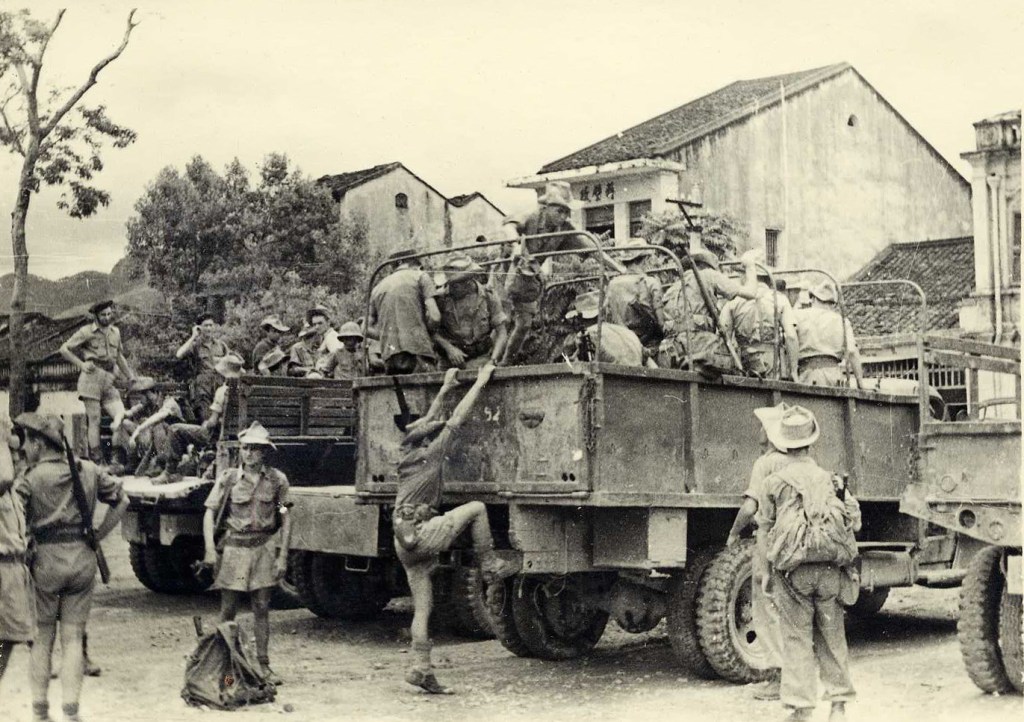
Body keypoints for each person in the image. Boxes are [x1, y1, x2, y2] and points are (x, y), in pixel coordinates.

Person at [393, 364, 518, 694]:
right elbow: (457, 417)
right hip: (422, 532)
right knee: (476, 508)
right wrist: (480, 382)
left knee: (423, 608)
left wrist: (446, 387)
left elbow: (427, 421)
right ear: (426, 440)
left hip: (403, 538)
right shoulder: (431, 456)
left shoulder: (405, 455)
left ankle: (421, 668)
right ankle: (490, 564)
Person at [13, 413, 127, 722]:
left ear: (39, 444)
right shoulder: (87, 469)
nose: (24, 448)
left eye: (27, 442)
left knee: (42, 639)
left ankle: (40, 713)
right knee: (74, 639)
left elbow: (13, 517)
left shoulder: (30, 478)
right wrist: (100, 534)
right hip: (82, 558)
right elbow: (122, 501)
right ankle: (71, 712)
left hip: (45, 561)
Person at [755, 405, 861, 722]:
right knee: (832, 636)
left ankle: (802, 709)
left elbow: (765, 529)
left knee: (796, 638)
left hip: (793, 572)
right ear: (811, 442)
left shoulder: (773, 483)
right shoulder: (832, 480)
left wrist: (764, 572)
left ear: (783, 443)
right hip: (830, 570)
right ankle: (838, 705)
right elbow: (854, 521)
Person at [202, 421, 291, 686]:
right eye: (245, 448)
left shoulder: (276, 481)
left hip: (263, 549)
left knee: (261, 607)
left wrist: (283, 556)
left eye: (255, 448)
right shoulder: (229, 479)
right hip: (235, 550)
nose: (249, 453)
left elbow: (286, 516)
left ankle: (263, 666)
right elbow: (209, 512)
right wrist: (210, 549)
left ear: (265, 452)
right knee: (228, 609)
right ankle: (222, 666)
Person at [498, 181, 626, 365]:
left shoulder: (565, 228)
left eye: (567, 212)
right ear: (547, 208)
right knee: (501, 320)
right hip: (505, 272)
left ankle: (504, 363)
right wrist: (515, 243)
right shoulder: (531, 216)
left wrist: (618, 268)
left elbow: (592, 248)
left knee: (524, 324)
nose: (563, 216)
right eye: (560, 211)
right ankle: (492, 360)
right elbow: (509, 226)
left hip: (527, 279)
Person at [725, 403, 794, 700]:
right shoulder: (797, 461)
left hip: (771, 541)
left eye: (762, 426)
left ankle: (779, 678)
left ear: (770, 432)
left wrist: (733, 533)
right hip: (796, 542)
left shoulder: (764, 464)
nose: (759, 431)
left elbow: (750, 507)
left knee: (765, 608)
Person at [657, 246, 759, 372]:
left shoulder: (673, 287)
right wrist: (750, 266)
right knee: (737, 365)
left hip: (670, 348)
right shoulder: (709, 275)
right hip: (699, 346)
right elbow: (751, 292)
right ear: (709, 266)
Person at [59, 300, 136, 465]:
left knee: (120, 417)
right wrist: (81, 364)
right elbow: (64, 349)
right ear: (96, 316)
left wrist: (130, 376)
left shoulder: (115, 332)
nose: (107, 317)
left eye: (109, 314)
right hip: (91, 379)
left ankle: (117, 459)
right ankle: (98, 461)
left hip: (109, 379)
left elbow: (119, 356)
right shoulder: (86, 331)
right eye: (103, 315)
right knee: (95, 420)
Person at [153, 353, 244, 485]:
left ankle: (170, 472)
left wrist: (206, 424)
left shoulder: (223, 391)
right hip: (239, 434)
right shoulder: (246, 391)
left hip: (218, 435)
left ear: (222, 373)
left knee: (175, 429)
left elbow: (212, 422)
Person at [367, 249, 441, 375]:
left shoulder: (377, 287)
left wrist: (389, 335)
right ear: (414, 263)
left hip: (390, 356)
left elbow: (364, 328)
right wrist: (423, 332)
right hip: (418, 351)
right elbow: (435, 317)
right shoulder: (420, 276)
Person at [0, 420, 33, 692]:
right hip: (2, 567)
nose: (15, 457)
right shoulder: (3, 483)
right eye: (9, 451)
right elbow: (4, 477)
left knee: (10, 635)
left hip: (14, 569)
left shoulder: (12, 490)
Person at [433, 254, 508, 369]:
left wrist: (493, 360)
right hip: (449, 362)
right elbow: (430, 331)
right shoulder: (440, 299)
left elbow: (501, 332)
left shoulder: (488, 296)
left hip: (481, 358)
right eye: (449, 283)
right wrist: (449, 348)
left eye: (455, 284)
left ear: (468, 281)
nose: (450, 288)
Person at [719, 272, 800, 379]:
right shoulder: (780, 299)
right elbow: (791, 336)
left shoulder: (734, 301)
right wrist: (794, 371)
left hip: (743, 362)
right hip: (771, 362)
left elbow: (724, 336)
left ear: (747, 276)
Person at [794, 282, 864, 388]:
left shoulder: (798, 315)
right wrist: (860, 383)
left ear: (813, 298)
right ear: (832, 303)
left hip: (808, 373)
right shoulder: (842, 321)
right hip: (834, 374)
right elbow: (852, 351)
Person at [602, 237, 666, 350]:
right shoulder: (650, 283)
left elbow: (607, 316)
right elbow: (661, 324)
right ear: (645, 259)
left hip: (620, 346)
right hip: (648, 346)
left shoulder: (612, 284)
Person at [563, 290, 656, 367]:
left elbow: (574, 365)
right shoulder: (627, 332)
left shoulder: (587, 335)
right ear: (603, 313)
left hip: (613, 380)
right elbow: (650, 362)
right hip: (637, 379)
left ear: (579, 318)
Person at [122, 377, 189, 477]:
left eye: (141, 395)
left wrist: (139, 429)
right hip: (155, 442)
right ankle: (132, 462)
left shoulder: (169, 402)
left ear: (150, 393)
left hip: (175, 444)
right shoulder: (146, 405)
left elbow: (159, 416)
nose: (140, 399)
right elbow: (128, 413)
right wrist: (121, 415)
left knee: (158, 425)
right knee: (125, 423)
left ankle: (161, 464)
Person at [175, 313, 231, 423]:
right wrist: (193, 336)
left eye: (211, 325)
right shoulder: (195, 345)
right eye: (206, 325)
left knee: (221, 420)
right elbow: (179, 354)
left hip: (219, 386)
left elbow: (231, 362)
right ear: (199, 328)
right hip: (202, 388)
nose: (209, 328)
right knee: (206, 418)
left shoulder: (221, 345)